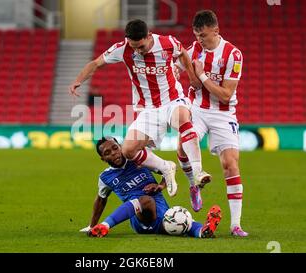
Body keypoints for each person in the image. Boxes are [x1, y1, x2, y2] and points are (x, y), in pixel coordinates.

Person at [69, 19, 212, 203]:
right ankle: (166, 167)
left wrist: (192, 76)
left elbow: (183, 53)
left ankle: (198, 173)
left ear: (149, 36)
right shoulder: (122, 48)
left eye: (141, 46)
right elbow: (96, 63)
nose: (138, 51)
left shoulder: (167, 42)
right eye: (134, 46)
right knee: (128, 150)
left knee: (184, 120)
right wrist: (78, 80)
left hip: (172, 100)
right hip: (147, 109)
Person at [175, 10, 248, 237]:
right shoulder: (194, 49)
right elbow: (181, 70)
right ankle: (194, 185)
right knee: (181, 148)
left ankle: (235, 224)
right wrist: (181, 72)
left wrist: (202, 75)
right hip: (196, 108)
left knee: (230, 165)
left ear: (216, 31)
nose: (199, 40)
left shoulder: (233, 54)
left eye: (204, 36)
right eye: (196, 36)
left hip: (223, 114)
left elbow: (226, 95)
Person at [79, 137, 222, 238]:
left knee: (180, 218)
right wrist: (92, 225)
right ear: (103, 159)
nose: (114, 153)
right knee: (146, 200)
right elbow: (101, 200)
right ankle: (104, 226)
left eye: (115, 148)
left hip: (161, 212)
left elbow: (168, 171)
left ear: (120, 146)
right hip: (140, 219)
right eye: (107, 153)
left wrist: (160, 186)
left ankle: (203, 232)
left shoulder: (139, 159)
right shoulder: (105, 178)